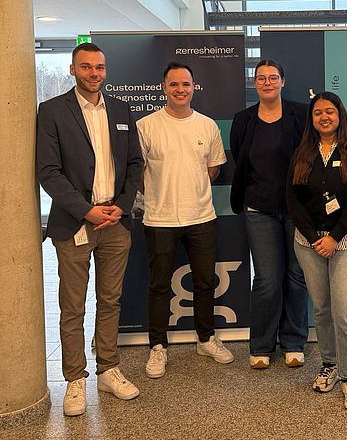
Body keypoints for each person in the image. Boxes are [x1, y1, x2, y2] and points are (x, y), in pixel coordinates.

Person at [37, 42, 143, 416]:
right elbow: (48, 171)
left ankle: (108, 369)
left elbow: (134, 164)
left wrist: (122, 206)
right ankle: (74, 379)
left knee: (111, 300)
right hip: (74, 224)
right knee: (73, 306)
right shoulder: (52, 111)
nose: (94, 73)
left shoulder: (121, 109)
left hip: (115, 222)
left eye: (99, 67)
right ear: (73, 69)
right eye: (86, 67)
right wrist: (86, 210)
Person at [137, 62, 233, 379]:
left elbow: (212, 169)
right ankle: (157, 346)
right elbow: (138, 173)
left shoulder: (207, 126)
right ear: (164, 87)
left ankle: (206, 339)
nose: (180, 90)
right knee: (159, 286)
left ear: (194, 87)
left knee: (204, 282)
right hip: (159, 218)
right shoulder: (146, 126)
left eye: (186, 84)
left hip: (201, 216)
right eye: (174, 84)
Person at [286, 92, 347, 411]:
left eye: (330, 111)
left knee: (345, 311)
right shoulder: (302, 152)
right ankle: (330, 364)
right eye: (318, 112)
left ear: (339, 115)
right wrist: (313, 237)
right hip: (308, 243)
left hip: (346, 240)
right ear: (311, 119)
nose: (324, 117)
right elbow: (292, 199)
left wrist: (334, 237)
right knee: (321, 308)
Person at [230, 59, 309, 369]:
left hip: (296, 209)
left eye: (273, 77)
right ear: (254, 83)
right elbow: (241, 159)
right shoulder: (243, 120)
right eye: (261, 78)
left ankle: (294, 342)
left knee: (296, 276)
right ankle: (261, 345)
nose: (267, 83)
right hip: (258, 209)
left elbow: (309, 156)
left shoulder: (301, 114)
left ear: (282, 81)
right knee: (266, 279)